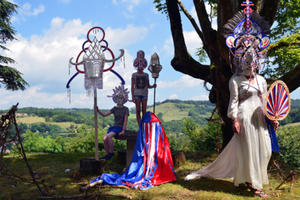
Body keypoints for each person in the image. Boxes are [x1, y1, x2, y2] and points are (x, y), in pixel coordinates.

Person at [185, 8, 280, 198]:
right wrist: (234, 120)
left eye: (253, 60)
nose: (250, 63)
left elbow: (267, 101)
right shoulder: (235, 81)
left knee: (265, 150)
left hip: (260, 118)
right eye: (246, 60)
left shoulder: (261, 80)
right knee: (250, 151)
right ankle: (254, 186)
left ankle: (246, 178)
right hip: (244, 117)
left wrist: (273, 118)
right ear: (239, 60)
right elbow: (234, 102)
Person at [96, 85, 129, 160]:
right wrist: (98, 111)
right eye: (118, 97)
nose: (120, 99)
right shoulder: (114, 108)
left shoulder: (126, 109)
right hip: (114, 127)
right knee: (105, 138)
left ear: (124, 99)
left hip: (119, 127)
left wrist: (123, 130)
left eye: (121, 97)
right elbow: (104, 115)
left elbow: (125, 120)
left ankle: (111, 153)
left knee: (109, 136)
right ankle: (107, 155)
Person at [131, 50, 156, 125]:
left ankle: (144, 125)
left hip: (144, 94)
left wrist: (153, 86)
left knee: (144, 111)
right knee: (138, 111)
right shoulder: (134, 75)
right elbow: (132, 86)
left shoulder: (146, 75)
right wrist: (132, 96)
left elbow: (148, 86)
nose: (140, 67)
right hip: (137, 94)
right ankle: (140, 126)